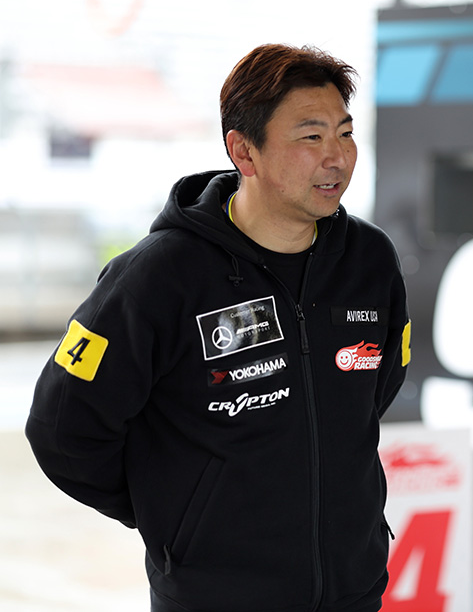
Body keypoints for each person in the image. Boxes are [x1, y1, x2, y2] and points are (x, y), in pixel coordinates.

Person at [25, 43, 411, 611]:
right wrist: (178, 512)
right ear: (244, 152)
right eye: (311, 137)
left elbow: (373, 391)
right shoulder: (160, 275)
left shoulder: (369, 260)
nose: (337, 157)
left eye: (345, 133)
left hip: (353, 590)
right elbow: (63, 428)